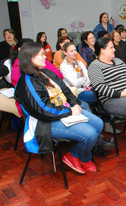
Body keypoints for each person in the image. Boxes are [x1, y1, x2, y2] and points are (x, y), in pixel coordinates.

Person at [14, 42, 113, 174]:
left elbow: (66, 90)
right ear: (30, 58)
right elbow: (42, 110)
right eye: (41, 55)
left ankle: (74, 155)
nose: (45, 57)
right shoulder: (26, 82)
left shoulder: (46, 73)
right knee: (89, 134)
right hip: (45, 122)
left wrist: (75, 103)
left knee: (98, 124)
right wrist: (70, 111)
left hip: (65, 112)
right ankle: (84, 158)